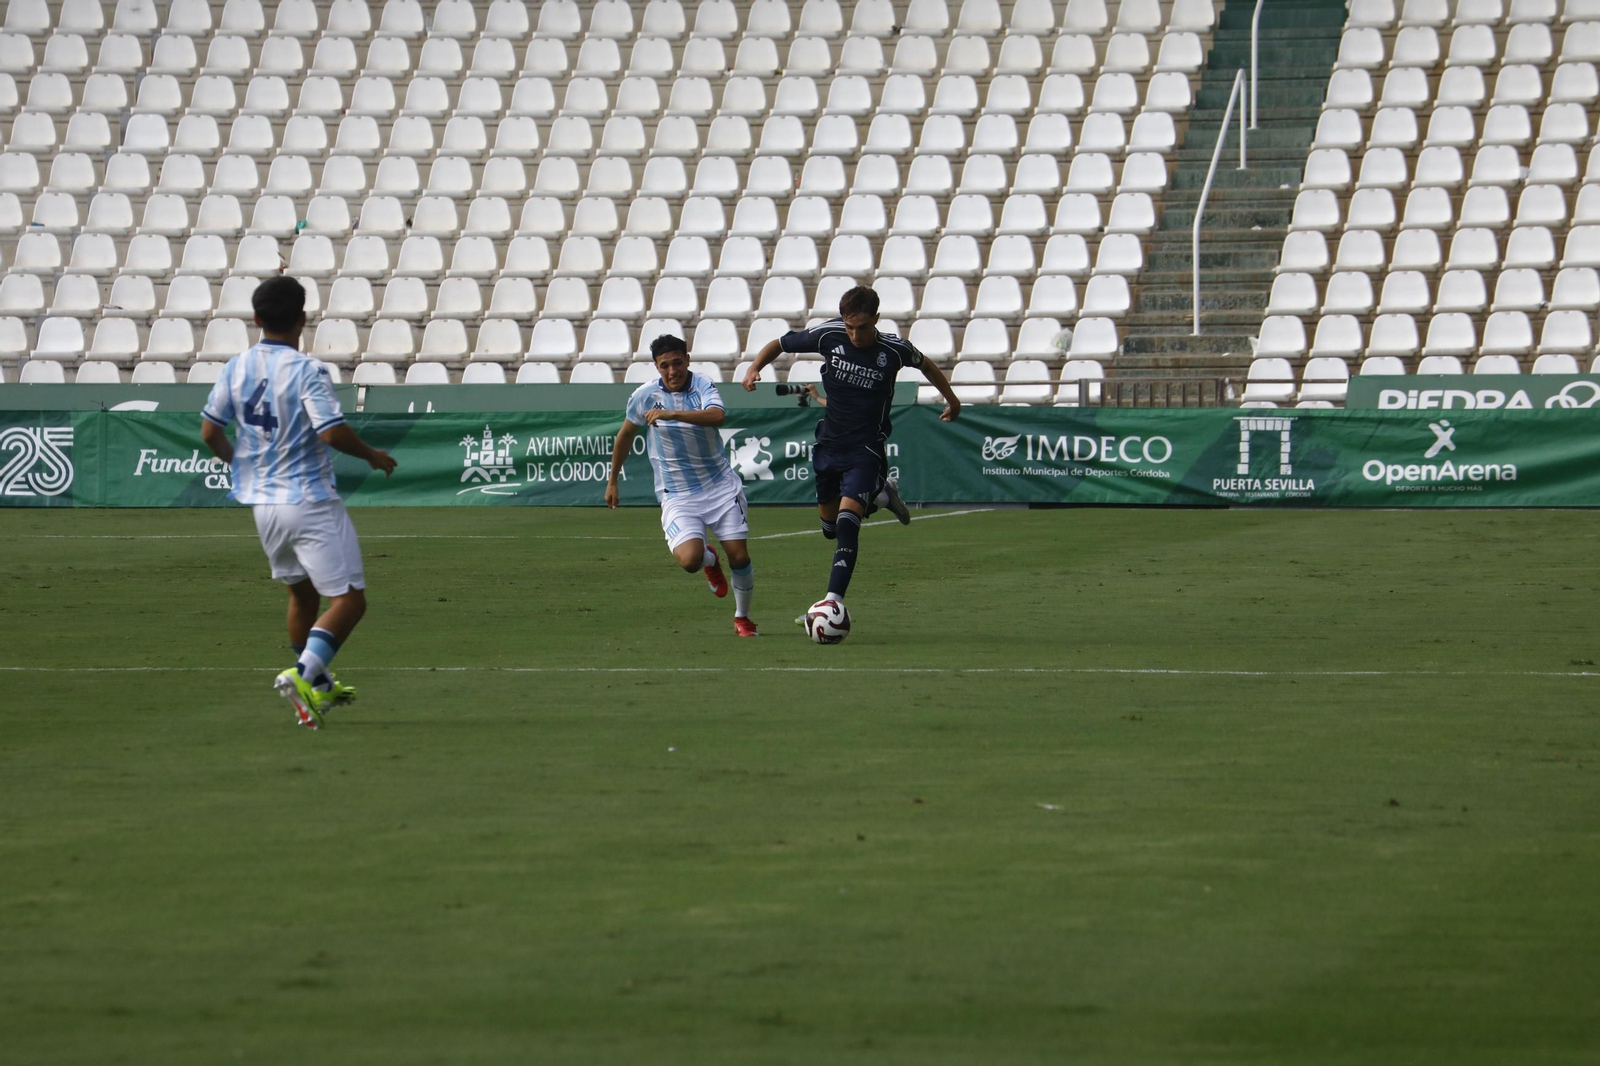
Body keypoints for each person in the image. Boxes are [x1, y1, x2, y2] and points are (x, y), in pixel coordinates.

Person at [199, 277, 397, 729]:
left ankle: (320, 685)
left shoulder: (235, 367)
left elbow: (210, 432)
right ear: (303, 319)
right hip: (308, 499)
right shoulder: (307, 370)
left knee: (302, 594)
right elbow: (329, 430)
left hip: (263, 507)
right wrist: (371, 455)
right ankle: (303, 674)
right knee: (349, 601)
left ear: (256, 319)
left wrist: (243, 466)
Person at [741, 285, 961, 619]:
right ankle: (883, 494)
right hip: (829, 445)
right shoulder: (829, 335)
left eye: (861, 326)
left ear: (876, 319)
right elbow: (780, 344)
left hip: (866, 448)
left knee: (846, 524)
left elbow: (926, 365)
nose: (855, 334)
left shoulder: (895, 349)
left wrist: (952, 399)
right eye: (849, 326)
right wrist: (755, 366)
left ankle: (831, 602)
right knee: (829, 528)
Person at [606, 334, 759, 637]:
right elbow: (625, 435)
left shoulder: (702, 384)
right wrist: (613, 480)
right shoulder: (644, 395)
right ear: (656, 367)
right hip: (677, 494)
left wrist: (671, 414)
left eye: (677, 363)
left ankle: (742, 617)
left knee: (739, 556)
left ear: (687, 360)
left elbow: (717, 416)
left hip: (719, 487)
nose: (672, 371)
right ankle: (709, 559)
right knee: (689, 560)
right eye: (665, 366)